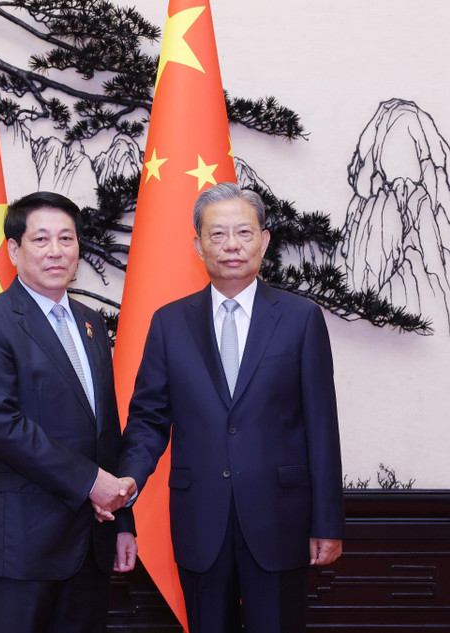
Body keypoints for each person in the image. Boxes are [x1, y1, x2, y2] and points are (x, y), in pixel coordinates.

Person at [117, 182, 344, 633]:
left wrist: (327, 521)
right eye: (217, 234)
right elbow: (147, 420)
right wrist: (126, 487)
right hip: (201, 519)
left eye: (243, 231)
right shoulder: (169, 322)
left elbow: (321, 426)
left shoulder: (300, 318)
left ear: (264, 240)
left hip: (281, 518)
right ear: (198, 244)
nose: (232, 245)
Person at [0, 191, 137, 633]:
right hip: (18, 542)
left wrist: (122, 520)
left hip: (90, 541)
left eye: (66, 239)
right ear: (15, 249)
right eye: (41, 239)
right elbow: (0, 422)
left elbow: (104, 430)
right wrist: (91, 483)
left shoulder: (91, 323)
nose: (56, 251)